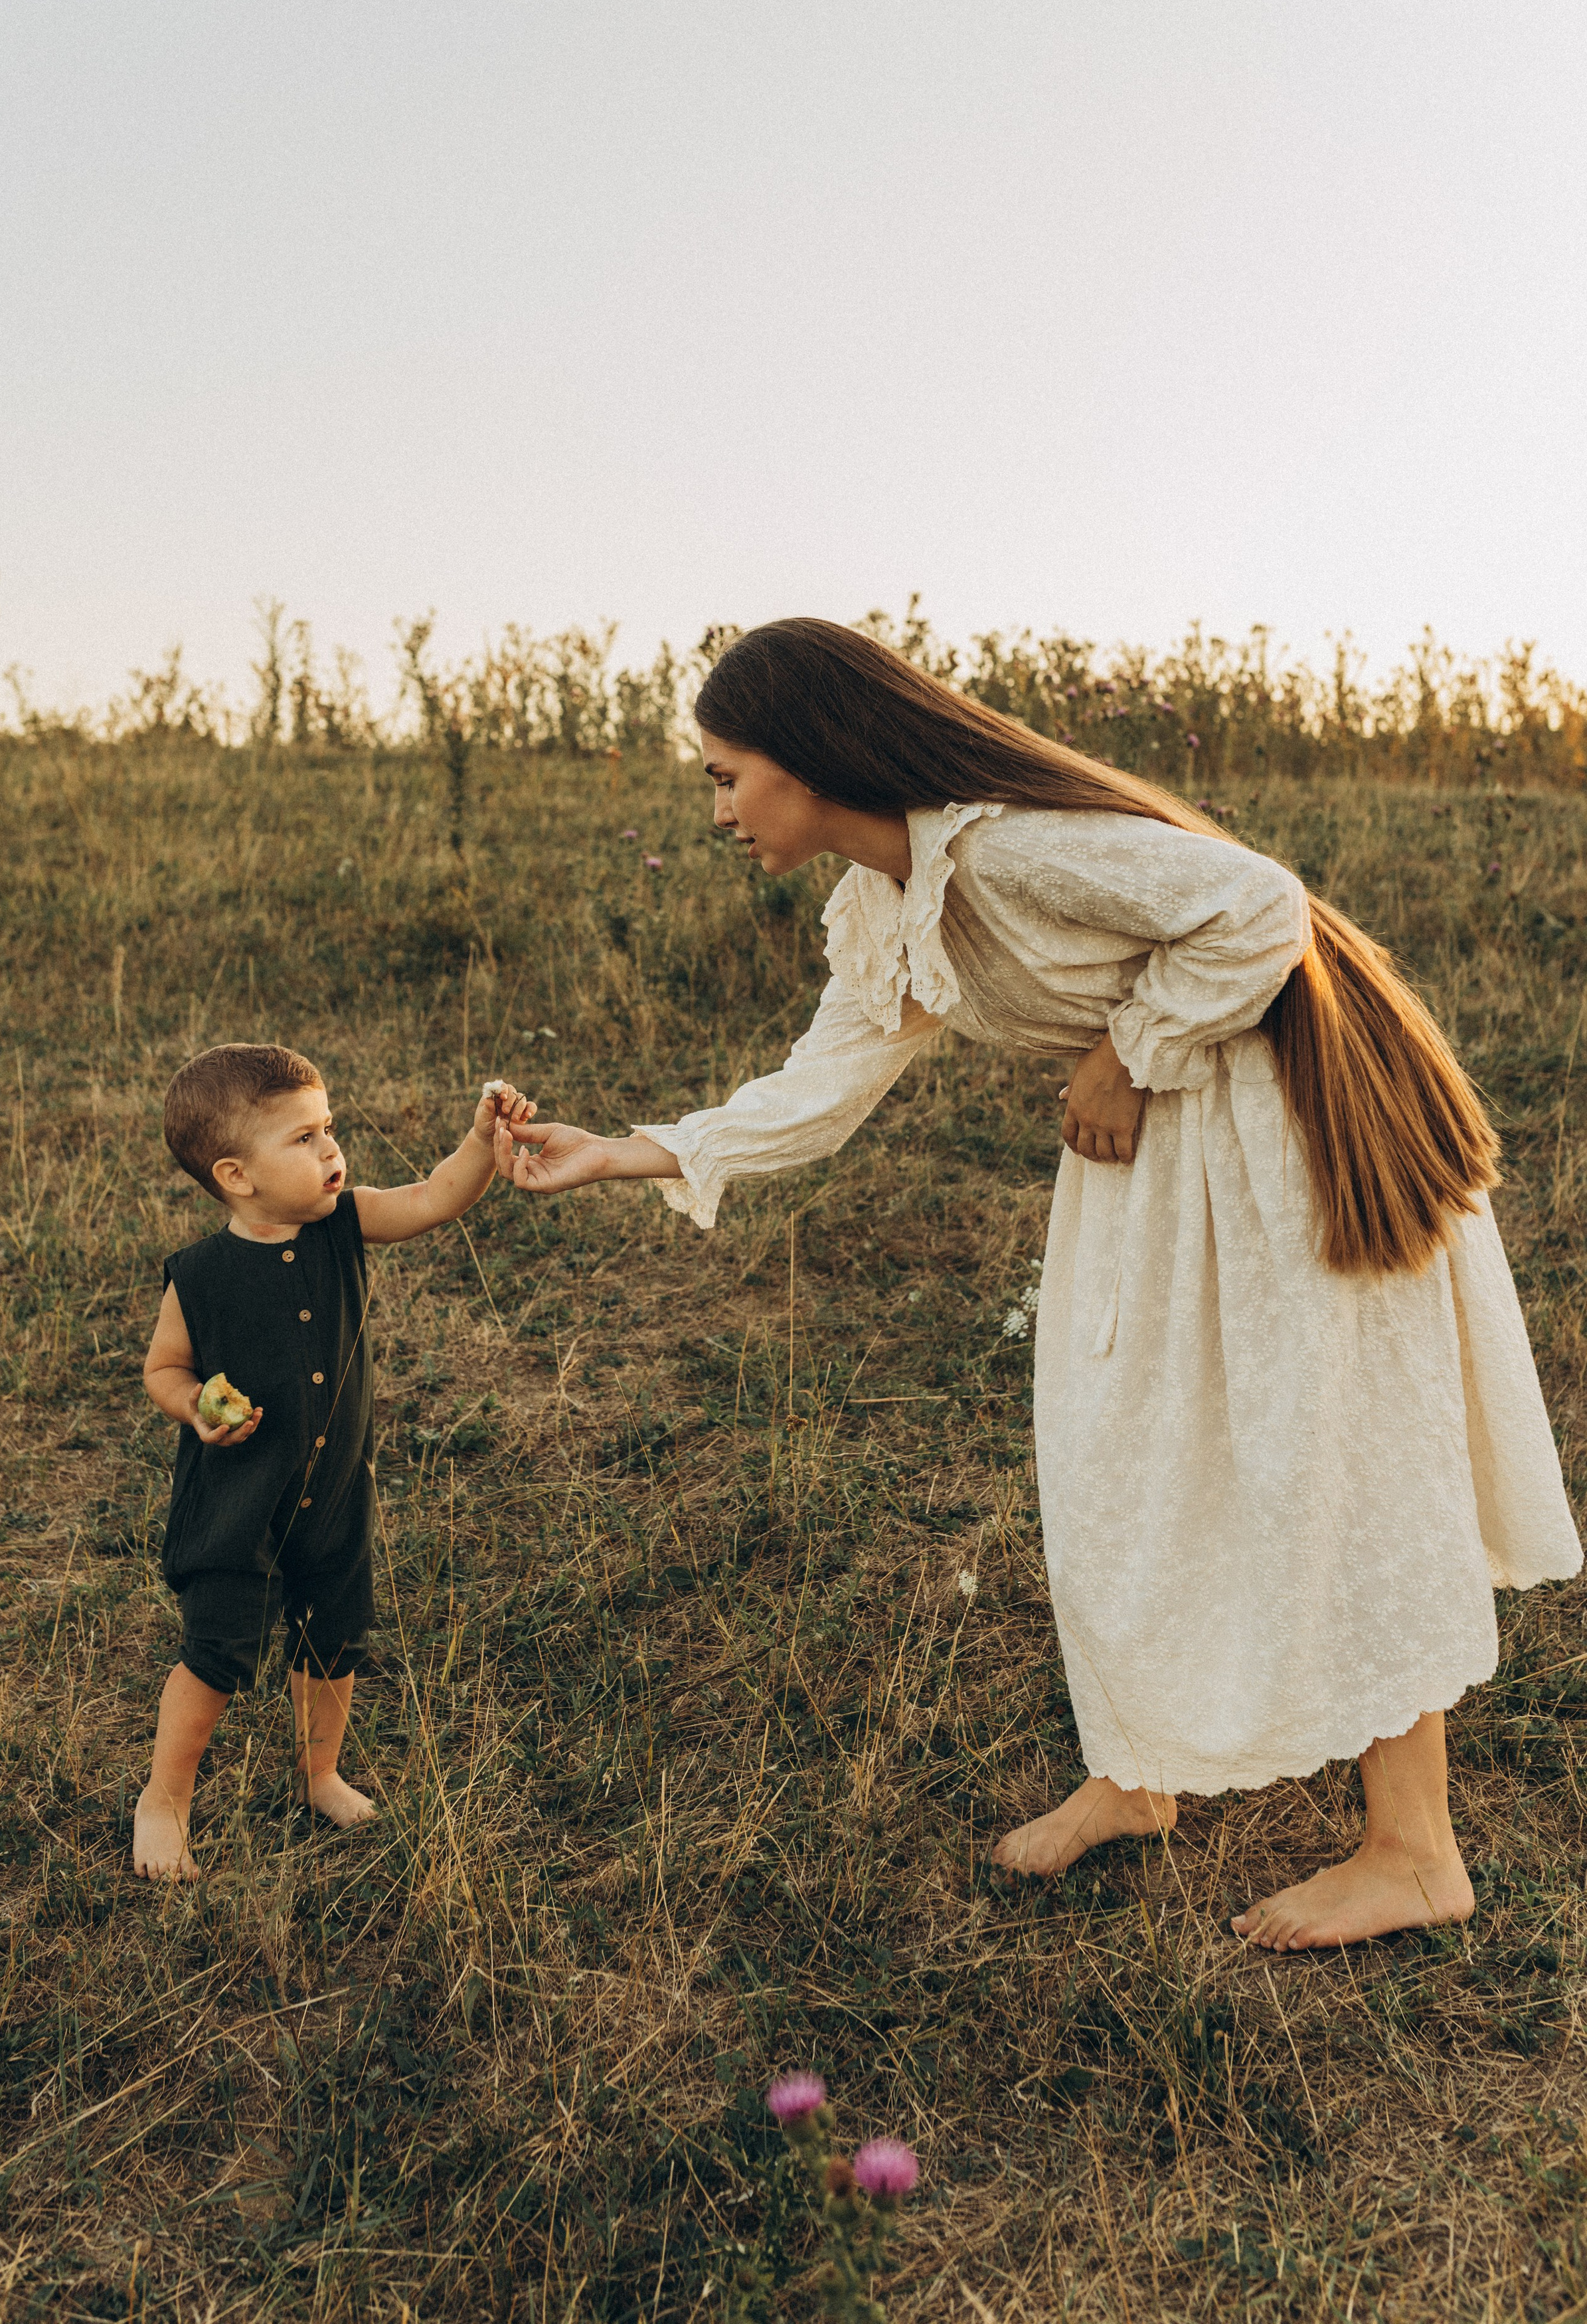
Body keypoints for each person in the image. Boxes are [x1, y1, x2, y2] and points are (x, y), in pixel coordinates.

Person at [496, 618, 1582, 1950]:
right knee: (1113, 1452)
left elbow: (1255, 907)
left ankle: (1414, 1850)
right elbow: (829, 1078)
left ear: (810, 755)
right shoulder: (885, 896)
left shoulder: (1003, 845)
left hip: (1272, 1143)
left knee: (1319, 1464)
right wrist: (629, 1151)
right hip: (1159, 1166)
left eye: (726, 773)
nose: (717, 807)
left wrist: (1126, 1052)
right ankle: (1136, 1774)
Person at [133, 1043, 533, 1884]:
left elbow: (435, 1198)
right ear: (236, 1176)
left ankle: (320, 1775)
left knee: (332, 1642)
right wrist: (195, 1406)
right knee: (215, 1655)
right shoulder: (201, 1278)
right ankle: (165, 1798)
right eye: (305, 1138)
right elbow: (164, 1369)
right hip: (238, 1504)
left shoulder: (344, 1222)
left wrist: (478, 1142)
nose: (331, 1152)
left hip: (336, 1493)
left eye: (329, 1130)